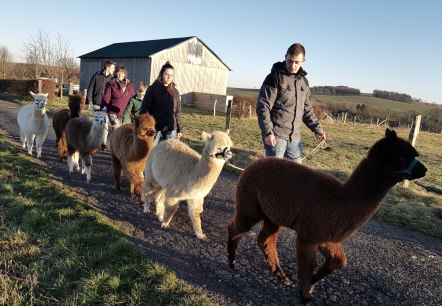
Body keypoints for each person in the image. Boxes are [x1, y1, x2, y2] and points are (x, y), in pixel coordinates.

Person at [256, 43, 326, 163]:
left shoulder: (304, 82)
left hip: (295, 139)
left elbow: (307, 110)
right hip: (276, 137)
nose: (293, 65)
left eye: (297, 62)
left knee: (296, 177)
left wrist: (318, 129)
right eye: (290, 61)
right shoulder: (274, 77)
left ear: (303, 61)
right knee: (275, 176)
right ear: (285, 57)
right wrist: (268, 133)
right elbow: (263, 107)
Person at [139, 61, 183, 146]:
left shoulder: (175, 92)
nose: (169, 77)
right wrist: (145, 125)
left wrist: (180, 129)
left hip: (170, 128)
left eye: (171, 75)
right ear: (162, 74)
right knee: (150, 150)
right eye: (166, 74)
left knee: (169, 152)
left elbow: (178, 111)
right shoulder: (152, 89)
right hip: (154, 127)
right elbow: (144, 108)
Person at [86, 59, 116, 151]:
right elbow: (90, 89)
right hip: (96, 104)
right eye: (112, 68)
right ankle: (94, 141)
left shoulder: (112, 79)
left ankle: (103, 143)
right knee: (96, 123)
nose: (113, 70)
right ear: (107, 67)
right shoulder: (96, 76)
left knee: (105, 124)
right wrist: (87, 102)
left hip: (106, 105)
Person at [101, 65, 135, 132]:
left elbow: (133, 98)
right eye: (118, 72)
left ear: (125, 74)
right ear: (116, 73)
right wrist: (103, 108)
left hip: (125, 113)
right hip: (113, 113)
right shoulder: (111, 84)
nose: (120, 74)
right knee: (117, 132)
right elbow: (106, 97)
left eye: (122, 73)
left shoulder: (129, 84)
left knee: (125, 133)